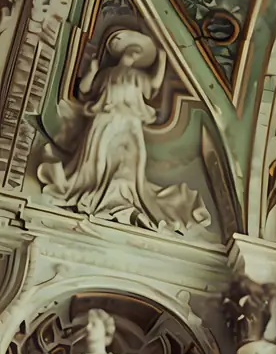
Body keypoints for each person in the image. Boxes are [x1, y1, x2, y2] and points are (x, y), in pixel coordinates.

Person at [38, 30, 210, 232]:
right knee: (97, 158)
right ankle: (95, 192)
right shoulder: (107, 74)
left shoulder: (138, 76)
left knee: (131, 162)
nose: (134, 54)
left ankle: (124, 195)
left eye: (137, 52)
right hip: (105, 119)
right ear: (122, 53)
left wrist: (162, 60)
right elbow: (85, 89)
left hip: (131, 123)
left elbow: (154, 84)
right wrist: (92, 71)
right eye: (132, 50)